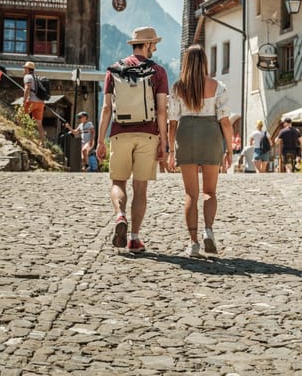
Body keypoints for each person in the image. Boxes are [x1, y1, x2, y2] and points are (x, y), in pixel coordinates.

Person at [96, 26, 168, 254]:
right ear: (146, 44)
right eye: (153, 43)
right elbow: (162, 110)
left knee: (118, 182)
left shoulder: (114, 70)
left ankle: (120, 216)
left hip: (120, 132)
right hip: (148, 134)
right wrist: (164, 143)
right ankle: (135, 239)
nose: (155, 47)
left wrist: (100, 141)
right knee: (140, 187)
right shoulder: (158, 71)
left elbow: (106, 108)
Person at [167, 44, 233, 257]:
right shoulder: (218, 86)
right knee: (210, 192)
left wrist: (170, 150)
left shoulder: (178, 88)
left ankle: (194, 243)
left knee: (190, 194)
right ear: (205, 62)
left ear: (185, 63)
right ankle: (208, 231)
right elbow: (225, 122)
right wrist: (229, 149)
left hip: (186, 135)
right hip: (210, 135)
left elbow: (172, 123)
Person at [22, 61, 46, 143]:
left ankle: (25, 137)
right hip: (41, 103)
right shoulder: (37, 77)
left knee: (22, 117)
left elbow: (27, 88)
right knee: (39, 123)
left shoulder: (27, 77)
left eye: (25, 68)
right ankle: (43, 142)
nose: (24, 69)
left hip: (32, 101)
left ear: (28, 69)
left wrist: (24, 100)